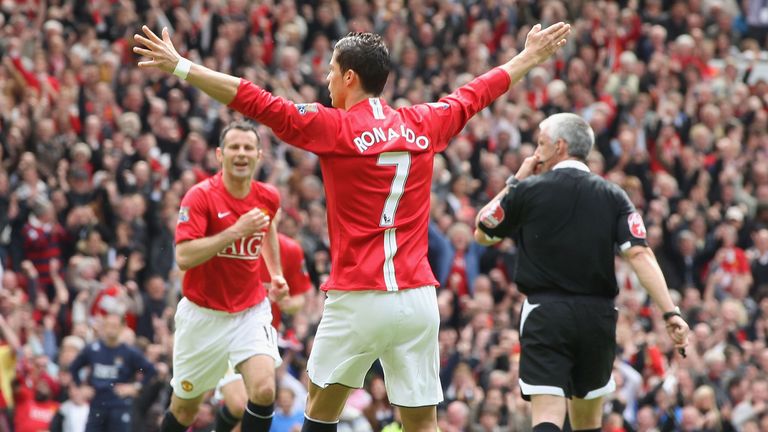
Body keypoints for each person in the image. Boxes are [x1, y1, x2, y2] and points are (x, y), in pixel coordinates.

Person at [133, 22, 571, 432]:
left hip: (359, 296)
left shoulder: (335, 127)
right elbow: (478, 92)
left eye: (330, 71)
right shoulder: (424, 121)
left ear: (348, 78)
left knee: (321, 410)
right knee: (421, 423)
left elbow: (254, 100)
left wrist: (181, 66)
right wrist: (529, 56)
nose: (326, 80)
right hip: (418, 299)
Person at [473, 113, 690, 432]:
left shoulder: (529, 190)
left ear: (559, 146)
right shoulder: (614, 195)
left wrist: (515, 180)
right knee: (588, 422)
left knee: (547, 415)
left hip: (546, 313)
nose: (535, 153)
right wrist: (671, 313)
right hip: (597, 317)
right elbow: (640, 254)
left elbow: (483, 230)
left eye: (541, 144)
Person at [160, 120, 289, 432]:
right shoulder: (200, 196)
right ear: (220, 154)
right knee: (184, 410)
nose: (241, 154)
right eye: (234, 147)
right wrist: (235, 231)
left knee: (264, 390)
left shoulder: (268, 196)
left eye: (248, 148)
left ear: (259, 155)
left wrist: (276, 274)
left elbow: (267, 227)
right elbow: (184, 256)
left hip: (249, 310)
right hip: (202, 317)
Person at [215, 231, 314, 432]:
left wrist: (287, 302)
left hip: (263, 340)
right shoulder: (234, 239)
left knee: (257, 400)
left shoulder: (291, 249)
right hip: (226, 331)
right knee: (239, 404)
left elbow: (299, 299)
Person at [69, 313, 156, 432]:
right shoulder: (93, 349)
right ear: (103, 326)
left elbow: (150, 370)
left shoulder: (129, 352)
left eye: (115, 326)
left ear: (122, 327)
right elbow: (74, 367)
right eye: (108, 325)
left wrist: (136, 387)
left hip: (119, 405)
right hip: (97, 404)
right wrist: (81, 387)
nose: (111, 329)